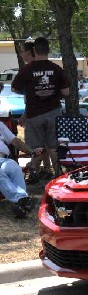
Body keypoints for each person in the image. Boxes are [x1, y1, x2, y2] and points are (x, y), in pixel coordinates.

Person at [11, 36, 69, 179]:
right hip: (54, 112)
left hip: (34, 114)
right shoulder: (56, 68)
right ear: (48, 51)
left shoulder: (27, 69)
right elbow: (66, 92)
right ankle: (59, 176)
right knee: (54, 147)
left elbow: (14, 88)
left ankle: (33, 176)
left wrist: (30, 91)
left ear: (34, 51)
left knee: (37, 148)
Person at [16, 39, 54, 183]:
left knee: (39, 144)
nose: (21, 55)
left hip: (38, 113)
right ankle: (46, 169)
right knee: (42, 143)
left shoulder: (31, 69)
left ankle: (37, 170)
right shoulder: (31, 68)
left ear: (29, 52)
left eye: (22, 52)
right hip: (36, 111)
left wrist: (26, 115)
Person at [0, 120, 41, 218]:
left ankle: (21, 204)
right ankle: (21, 200)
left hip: (3, 159)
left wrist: (31, 151)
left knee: (14, 167)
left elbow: (15, 141)